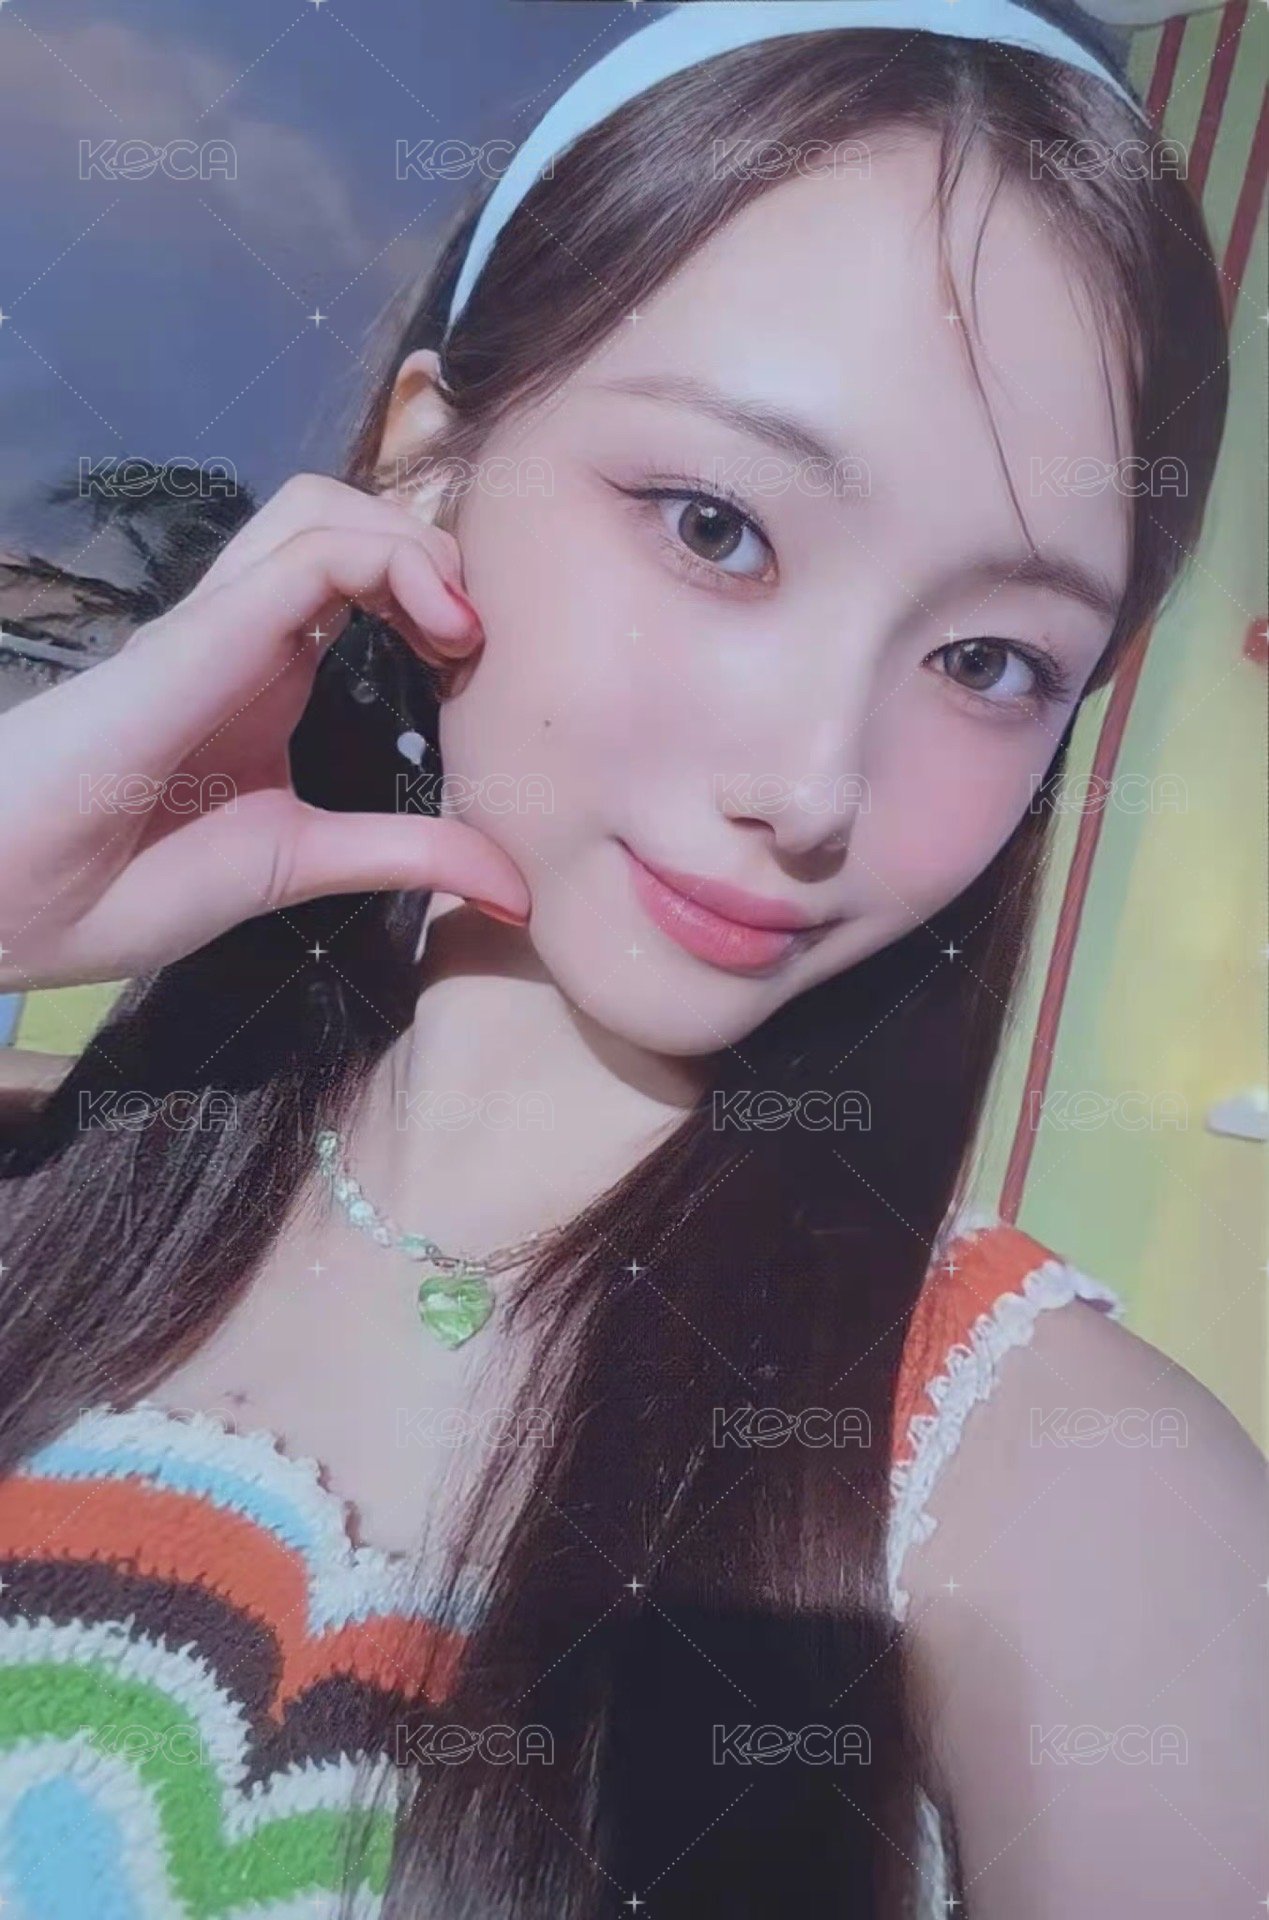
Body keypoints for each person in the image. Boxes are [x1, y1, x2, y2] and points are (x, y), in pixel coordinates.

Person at [0, 3, 1263, 1915]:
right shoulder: (66, 1185)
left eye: (989, 659)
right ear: (427, 465)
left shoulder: (1064, 1488)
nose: (812, 784)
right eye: (716, 529)